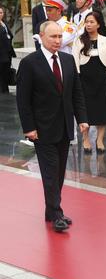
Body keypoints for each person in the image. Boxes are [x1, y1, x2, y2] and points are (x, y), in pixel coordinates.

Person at [16, 21, 89, 232]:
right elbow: (23, 99)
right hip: (42, 129)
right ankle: (57, 214)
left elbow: (76, 93)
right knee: (50, 172)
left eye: (59, 37)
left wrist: (82, 118)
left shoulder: (67, 59)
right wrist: (29, 127)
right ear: (41, 37)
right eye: (53, 37)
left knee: (58, 173)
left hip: (65, 126)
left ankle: (51, 210)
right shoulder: (30, 63)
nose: (58, 41)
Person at [72, 11, 106, 154]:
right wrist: (76, 79)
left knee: (102, 110)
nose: (89, 24)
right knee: (85, 110)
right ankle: (85, 139)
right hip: (84, 79)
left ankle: (99, 140)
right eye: (87, 22)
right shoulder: (79, 40)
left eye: (92, 22)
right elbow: (74, 61)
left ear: (98, 24)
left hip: (101, 79)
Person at [0, 6, 16, 94]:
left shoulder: (4, 23)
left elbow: (10, 35)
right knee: (1, 72)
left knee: (6, 71)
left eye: (1, 12)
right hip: (1, 53)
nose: (0, 14)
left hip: (7, 52)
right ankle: (3, 91)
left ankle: (5, 90)